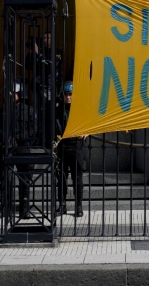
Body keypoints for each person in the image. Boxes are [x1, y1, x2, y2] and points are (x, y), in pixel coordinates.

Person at [0, 79, 37, 219]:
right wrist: (7, 139)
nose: (11, 96)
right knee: (6, 179)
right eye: (9, 93)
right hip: (7, 148)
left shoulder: (29, 110)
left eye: (14, 93)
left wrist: (18, 139)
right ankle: (5, 208)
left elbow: (33, 130)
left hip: (23, 149)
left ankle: (24, 210)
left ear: (20, 94)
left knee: (25, 179)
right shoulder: (4, 111)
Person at [55, 80, 87, 217]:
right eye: (66, 94)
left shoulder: (80, 109)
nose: (68, 97)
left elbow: (89, 122)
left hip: (76, 146)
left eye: (71, 94)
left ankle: (78, 206)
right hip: (62, 146)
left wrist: (87, 131)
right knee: (61, 178)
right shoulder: (58, 109)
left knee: (77, 179)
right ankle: (62, 205)